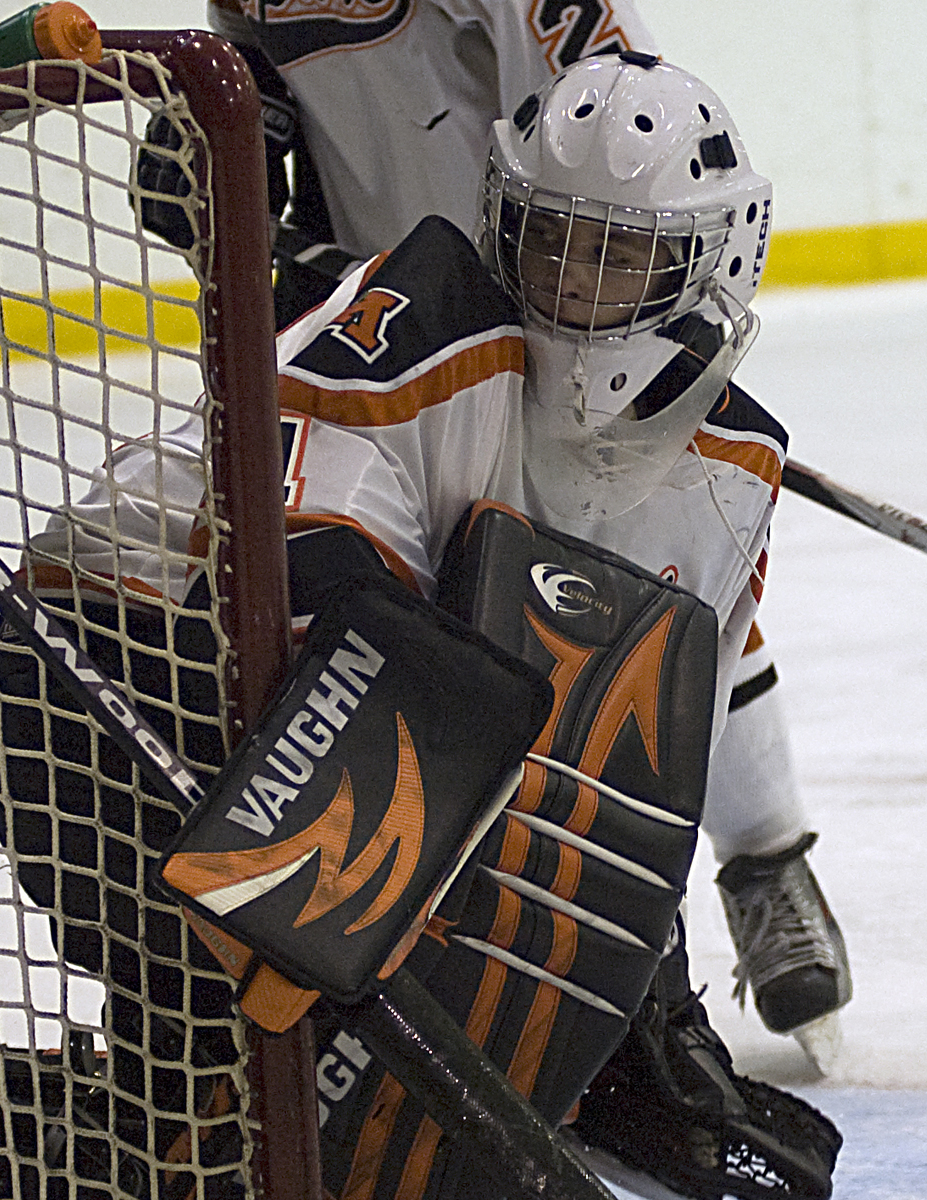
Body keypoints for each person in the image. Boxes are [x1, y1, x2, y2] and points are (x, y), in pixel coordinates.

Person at [57, 49, 843, 1199]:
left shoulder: (731, 468)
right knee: (253, 1105)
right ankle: (15, 1119)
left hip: (303, 737)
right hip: (109, 680)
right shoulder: (421, 330)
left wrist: (631, 996)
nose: (575, 283)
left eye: (621, 257)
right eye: (551, 240)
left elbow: (634, 766)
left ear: (708, 261)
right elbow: (320, 637)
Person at [203, 0, 855, 1068]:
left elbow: (612, 128)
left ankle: (764, 856)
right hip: (426, 302)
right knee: (390, 616)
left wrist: (591, 303)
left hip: (557, 280)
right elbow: (277, 93)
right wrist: (239, 152)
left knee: (641, 578)